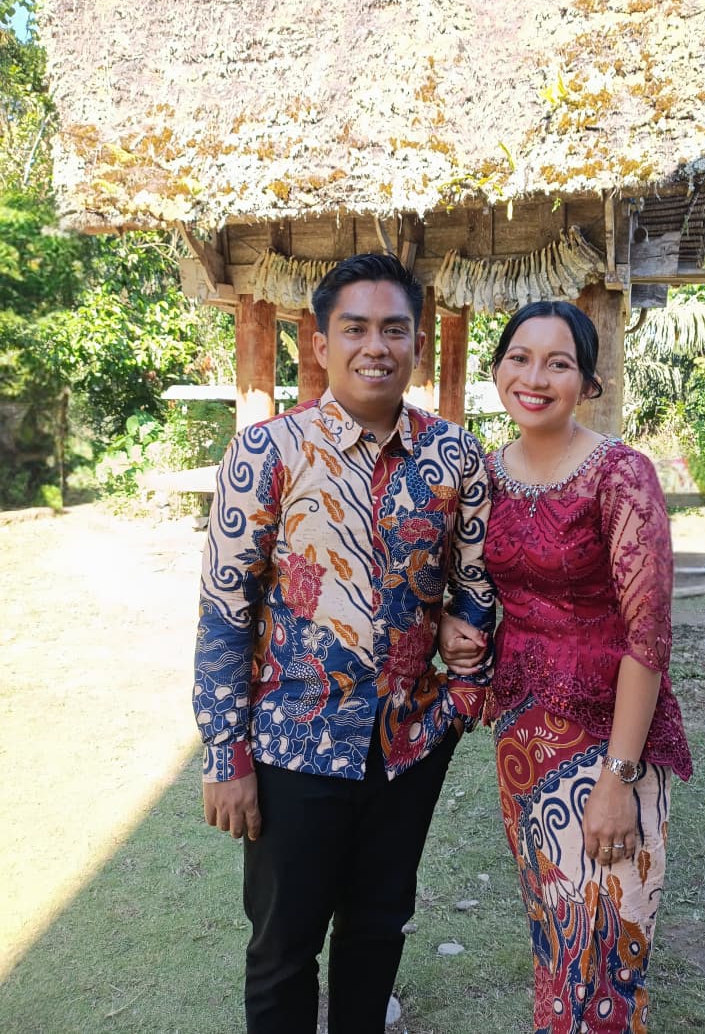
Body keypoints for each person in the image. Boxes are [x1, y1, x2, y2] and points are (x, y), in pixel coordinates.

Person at [193, 253, 495, 1034]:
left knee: (378, 926)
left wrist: (463, 688)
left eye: (394, 329)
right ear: (321, 344)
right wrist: (224, 752)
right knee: (283, 946)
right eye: (355, 328)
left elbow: (476, 581)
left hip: (408, 744)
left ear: (418, 344)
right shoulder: (267, 452)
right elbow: (226, 610)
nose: (376, 347)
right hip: (292, 746)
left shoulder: (457, 456)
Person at [440, 300, 692, 1034]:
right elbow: (467, 586)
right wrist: (454, 626)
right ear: (497, 369)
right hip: (523, 739)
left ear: (587, 381)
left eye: (558, 363)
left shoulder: (620, 476)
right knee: (555, 928)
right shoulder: (485, 475)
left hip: (610, 735)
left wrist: (618, 778)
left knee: (610, 935)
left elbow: (649, 636)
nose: (535, 377)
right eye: (519, 358)